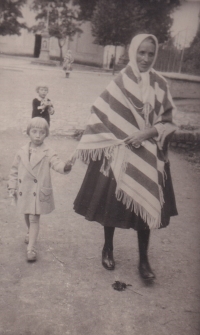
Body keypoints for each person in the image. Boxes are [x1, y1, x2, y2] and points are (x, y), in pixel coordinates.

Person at [73, 34, 178, 280]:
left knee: (145, 203)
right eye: (141, 52)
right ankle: (108, 247)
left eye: (151, 54)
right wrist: (110, 140)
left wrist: (147, 133)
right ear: (133, 52)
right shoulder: (119, 82)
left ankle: (144, 260)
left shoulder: (160, 85)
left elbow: (169, 122)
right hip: (118, 154)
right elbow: (99, 112)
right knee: (111, 203)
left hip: (148, 154)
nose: (146, 58)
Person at [8, 117, 73, 262]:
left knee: (34, 218)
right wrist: (12, 186)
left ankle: (31, 248)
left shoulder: (48, 151)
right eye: (34, 132)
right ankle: (29, 231)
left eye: (42, 132)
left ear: (46, 134)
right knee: (26, 213)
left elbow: (57, 163)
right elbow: (14, 170)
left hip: (37, 192)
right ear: (28, 133)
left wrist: (65, 166)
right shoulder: (21, 151)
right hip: (24, 189)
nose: (37, 135)